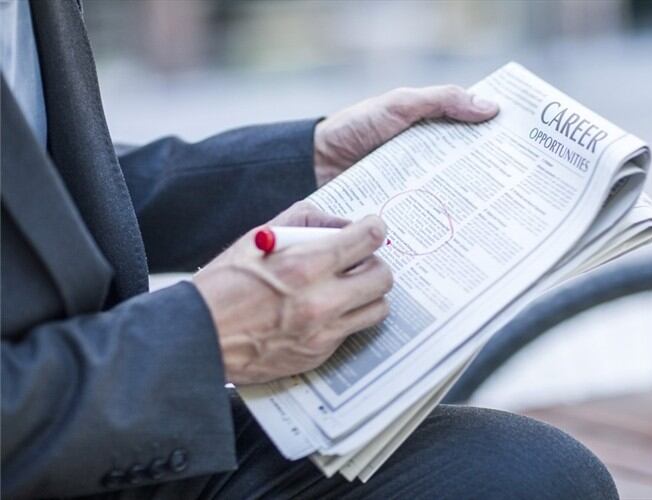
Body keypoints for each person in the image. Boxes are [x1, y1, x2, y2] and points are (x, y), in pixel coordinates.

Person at [0, 1, 619, 498]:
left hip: (94, 428)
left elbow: (41, 191)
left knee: (524, 473)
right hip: (46, 425)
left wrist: (312, 160)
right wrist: (197, 339)